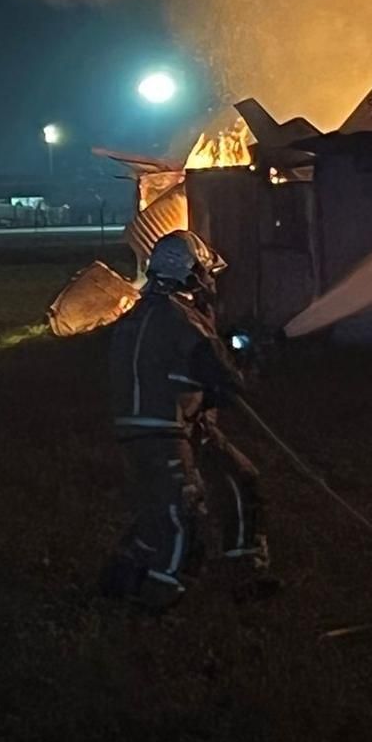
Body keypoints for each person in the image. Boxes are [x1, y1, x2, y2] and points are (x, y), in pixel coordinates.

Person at [100, 230, 271, 607]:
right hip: (166, 432)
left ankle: (242, 563)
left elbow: (175, 373)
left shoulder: (142, 315)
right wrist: (249, 356)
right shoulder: (183, 321)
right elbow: (226, 380)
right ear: (191, 274)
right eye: (205, 273)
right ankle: (159, 599)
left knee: (239, 477)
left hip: (171, 427)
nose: (210, 282)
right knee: (180, 512)